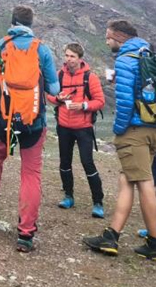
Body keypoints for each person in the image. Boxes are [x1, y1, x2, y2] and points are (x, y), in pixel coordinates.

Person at [0, 5, 59, 252]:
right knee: (31, 173)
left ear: (12, 21)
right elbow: (54, 89)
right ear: (31, 24)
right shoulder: (42, 49)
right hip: (34, 122)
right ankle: (26, 234)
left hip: (5, 119)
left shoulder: (0, 46)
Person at [83, 19, 156, 262]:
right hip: (155, 130)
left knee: (143, 182)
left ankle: (155, 243)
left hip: (135, 132)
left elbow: (124, 101)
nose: (107, 41)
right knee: (126, 179)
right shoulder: (149, 55)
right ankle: (111, 236)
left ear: (119, 37)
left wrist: (119, 129)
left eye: (108, 37)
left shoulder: (125, 59)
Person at [46, 43, 106, 217]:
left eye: (72, 56)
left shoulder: (90, 77)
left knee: (87, 163)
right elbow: (49, 95)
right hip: (64, 126)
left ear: (80, 58)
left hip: (84, 128)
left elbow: (100, 101)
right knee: (65, 163)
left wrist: (83, 105)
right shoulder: (59, 75)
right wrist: (58, 98)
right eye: (66, 55)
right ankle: (68, 196)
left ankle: (98, 202)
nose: (68, 59)